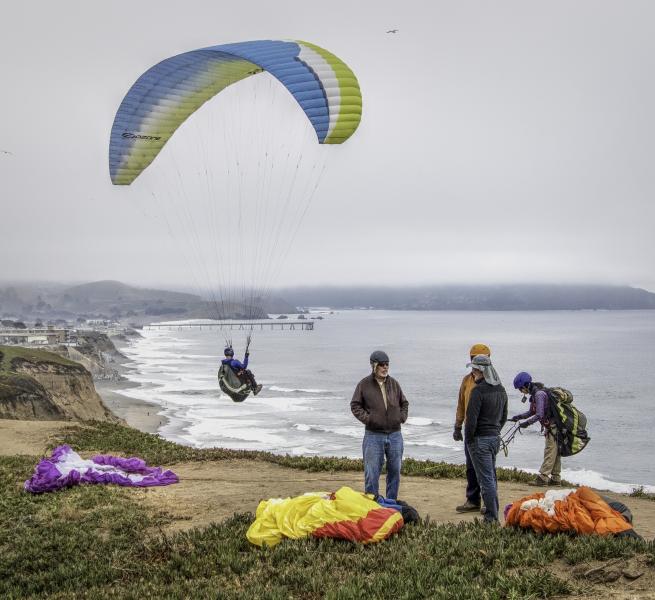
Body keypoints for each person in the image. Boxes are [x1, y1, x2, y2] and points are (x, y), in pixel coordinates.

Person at [350, 350, 409, 500]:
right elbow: (355, 405)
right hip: (373, 436)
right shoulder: (364, 384)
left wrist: (401, 417)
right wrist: (369, 419)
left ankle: (391, 503)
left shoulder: (394, 383)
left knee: (395, 471)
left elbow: (404, 403)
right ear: (374, 366)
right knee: (372, 473)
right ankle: (372, 507)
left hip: (395, 435)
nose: (385, 368)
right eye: (382, 365)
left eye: (387, 364)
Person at [465, 354, 508, 523]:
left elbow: (471, 421)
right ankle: (492, 512)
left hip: (480, 440)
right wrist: (495, 430)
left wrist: (469, 440)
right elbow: (504, 416)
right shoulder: (501, 390)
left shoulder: (478, 391)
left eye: (474, 370)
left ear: (481, 371)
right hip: (494, 438)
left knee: (486, 480)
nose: (473, 373)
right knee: (491, 476)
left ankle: (491, 517)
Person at [453, 343, 491, 513]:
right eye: (473, 358)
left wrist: (494, 428)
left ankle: (489, 502)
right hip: (470, 431)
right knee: (470, 467)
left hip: (484, 432)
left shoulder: (493, 383)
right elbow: (461, 404)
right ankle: (473, 500)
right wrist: (457, 426)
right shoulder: (467, 380)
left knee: (486, 469)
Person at [510, 372, 560, 486]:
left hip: (552, 427)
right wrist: (518, 417)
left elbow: (539, 415)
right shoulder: (535, 394)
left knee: (550, 450)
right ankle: (556, 478)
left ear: (525, 386)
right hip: (554, 426)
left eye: (520, 389)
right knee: (555, 452)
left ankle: (543, 477)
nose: (520, 392)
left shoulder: (539, 395)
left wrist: (526, 423)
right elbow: (531, 412)